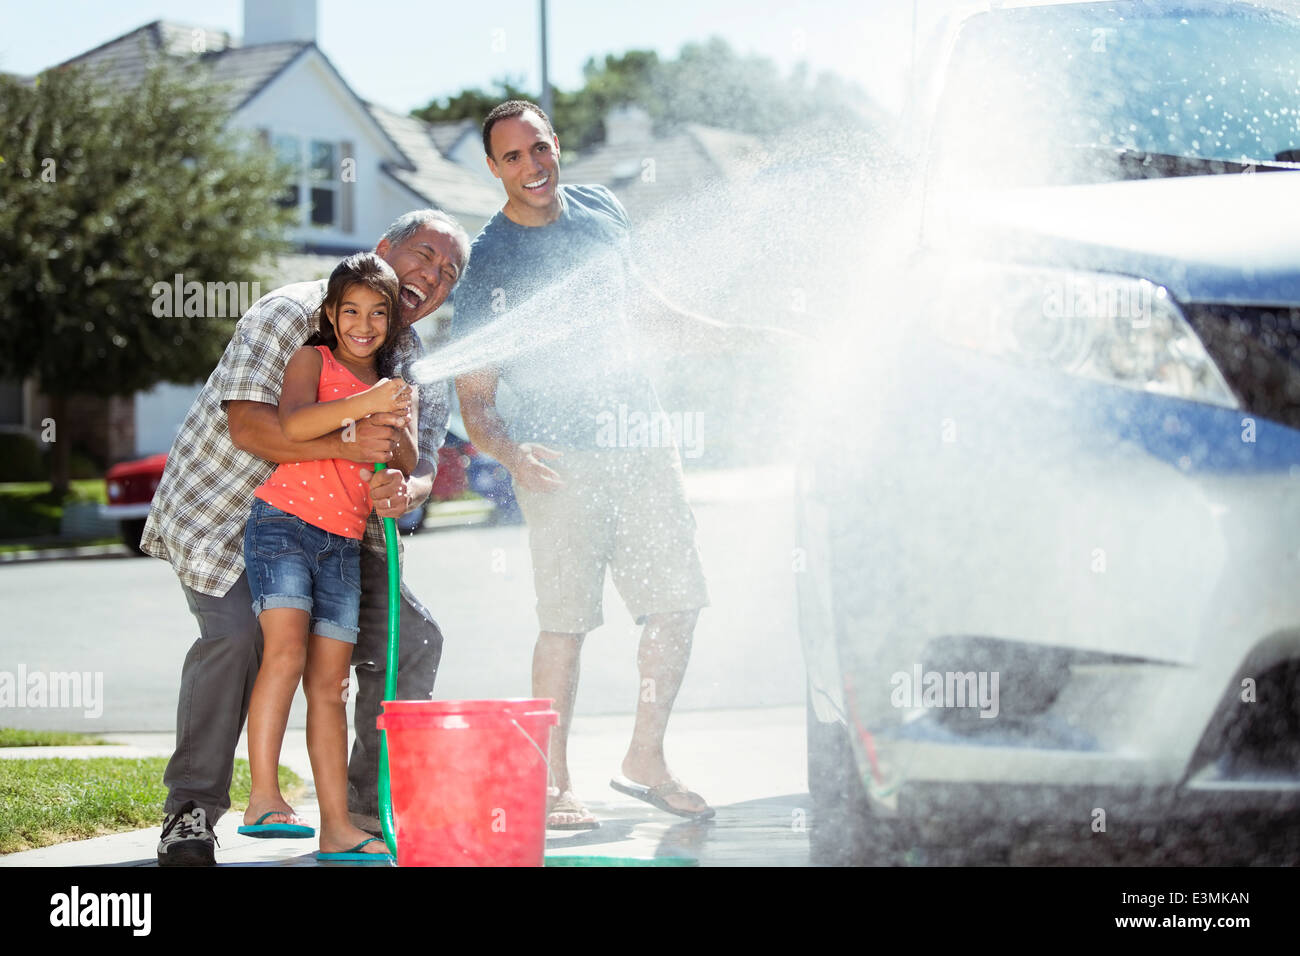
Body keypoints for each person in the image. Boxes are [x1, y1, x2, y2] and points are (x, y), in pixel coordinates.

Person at [454, 101, 770, 829]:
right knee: (566, 623)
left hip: (644, 441)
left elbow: (648, 312)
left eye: (539, 148)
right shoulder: (492, 265)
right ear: (495, 169)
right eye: (512, 157)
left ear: (556, 144)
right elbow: (477, 399)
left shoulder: (600, 208)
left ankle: (645, 759)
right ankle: (553, 782)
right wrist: (507, 452)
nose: (532, 166)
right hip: (561, 462)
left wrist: (747, 337)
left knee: (677, 602)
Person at [143, 210, 469, 865]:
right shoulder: (292, 314)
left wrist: (407, 489)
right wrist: (351, 444)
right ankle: (191, 814)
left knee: (413, 640)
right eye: (424, 255)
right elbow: (253, 430)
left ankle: (359, 813)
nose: (431, 275)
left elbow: (423, 466)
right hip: (226, 516)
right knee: (238, 637)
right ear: (384, 249)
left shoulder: (417, 368)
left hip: (335, 536)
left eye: (448, 273)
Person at [241, 253, 412, 860]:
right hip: (282, 528)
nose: (364, 324)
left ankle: (336, 825)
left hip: (342, 543)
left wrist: (395, 437)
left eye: (378, 313)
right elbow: (292, 423)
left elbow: (406, 458)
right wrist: (366, 409)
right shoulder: (313, 359)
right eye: (351, 311)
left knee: (331, 684)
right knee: (284, 653)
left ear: (392, 321)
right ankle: (263, 796)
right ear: (331, 316)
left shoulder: (391, 387)